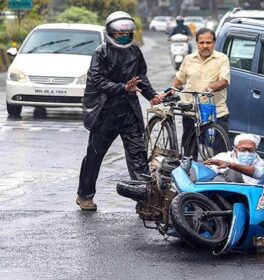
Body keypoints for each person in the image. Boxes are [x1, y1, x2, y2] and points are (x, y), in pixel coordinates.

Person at [76, 11, 164, 211]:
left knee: (138, 155)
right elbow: (97, 81)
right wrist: (123, 88)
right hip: (104, 112)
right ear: (110, 33)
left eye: (126, 33)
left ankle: (144, 200)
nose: (123, 37)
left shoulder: (135, 52)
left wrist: (151, 96)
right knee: (95, 155)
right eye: (118, 34)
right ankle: (84, 195)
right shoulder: (101, 53)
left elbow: (140, 77)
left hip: (129, 111)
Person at [171, 28, 231, 154]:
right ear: (197, 43)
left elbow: (224, 81)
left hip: (216, 111)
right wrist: (171, 91)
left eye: (208, 43)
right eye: (201, 43)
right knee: (188, 152)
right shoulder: (188, 59)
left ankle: (221, 172)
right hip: (191, 111)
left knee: (221, 154)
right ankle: (187, 169)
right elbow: (178, 80)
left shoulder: (222, 59)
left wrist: (211, 88)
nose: (205, 46)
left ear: (214, 43)